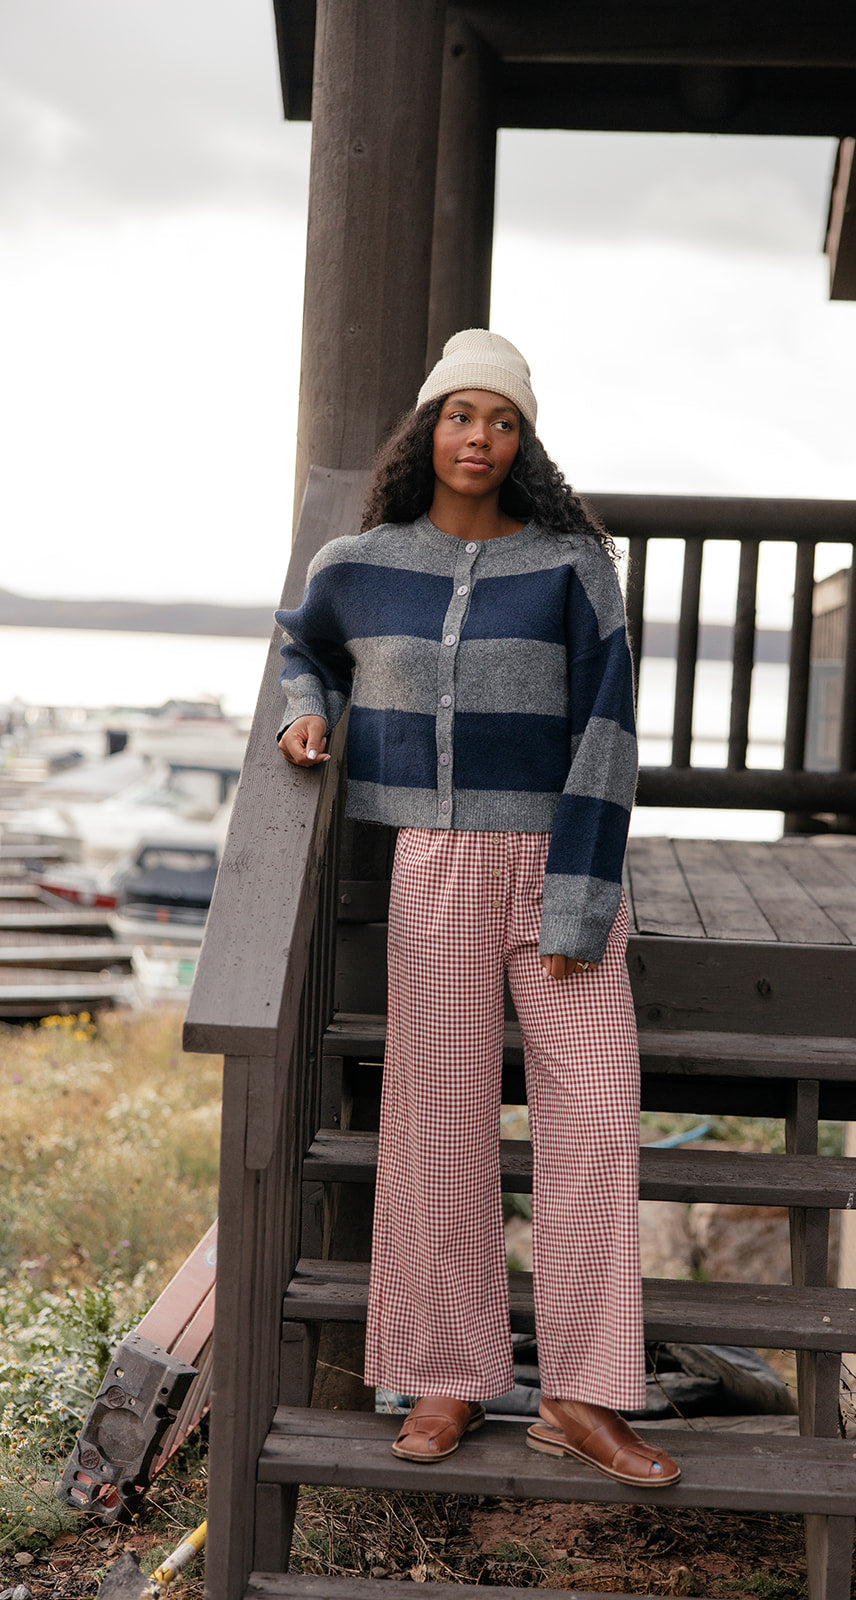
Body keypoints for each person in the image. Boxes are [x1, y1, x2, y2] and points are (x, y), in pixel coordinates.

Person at [277, 329, 679, 1488]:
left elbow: (608, 733)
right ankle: (447, 1373)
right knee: (438, 1121)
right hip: (435, 867)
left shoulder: (568, 564)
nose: (478, 438)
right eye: (459, 416)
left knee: (596, 1119)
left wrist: (580, 893)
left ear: (523, 441)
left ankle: (581, 1393)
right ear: (427, 429)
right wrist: (306, 708)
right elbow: (302, 647)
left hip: (557, 854)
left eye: (500, 421)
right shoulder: (360, 563)